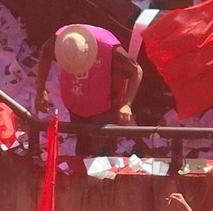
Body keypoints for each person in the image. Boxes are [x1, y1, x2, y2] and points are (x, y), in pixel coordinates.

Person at [33, 24, 142, 155]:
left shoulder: (109, 48)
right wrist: (40, 91)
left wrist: (127, 104)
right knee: (82, 143)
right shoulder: (63, 40)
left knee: (103, 151)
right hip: (75, 103)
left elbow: (137, 72)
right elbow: (45, 55)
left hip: (104, 109)